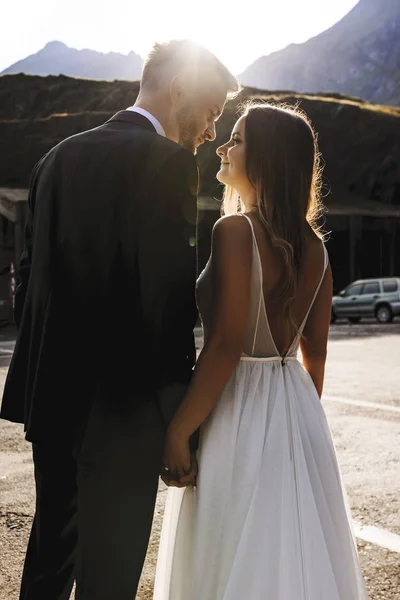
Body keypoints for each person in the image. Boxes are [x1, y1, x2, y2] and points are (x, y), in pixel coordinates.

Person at [0, 40, 239, 600]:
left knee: (49, 563)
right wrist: (177, 421)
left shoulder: (56, 158)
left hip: (53, 401)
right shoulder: (170, 164)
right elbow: (165, 302)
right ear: (178, 88)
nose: (209, 132)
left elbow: (30, 280)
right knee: (111, 576)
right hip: (126, 413)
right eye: (209, 113)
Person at [155, 102, 368, 599]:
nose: (224, 148)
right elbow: (316, 352)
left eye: (238, 139)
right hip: (296, 405)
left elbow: (227, 345)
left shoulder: (234, 231)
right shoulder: (316, 246)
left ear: (267, 160)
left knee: (229, 546)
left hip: (238, 405)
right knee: (291, 548)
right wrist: (296, 422)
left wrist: (178, 430)